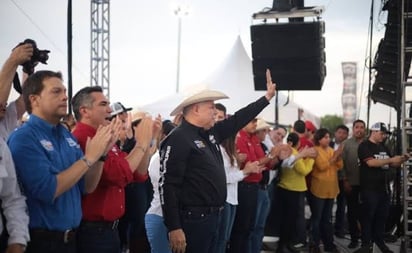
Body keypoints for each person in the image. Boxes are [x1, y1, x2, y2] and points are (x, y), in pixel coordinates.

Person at [159, 69, 277, 253]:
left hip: (214, 215)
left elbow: (239, 118)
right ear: (196, 109)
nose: (215, 111)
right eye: (211, 107)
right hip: (193, 219)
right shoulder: (179, 138)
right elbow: (168, 184)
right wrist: (174, 227)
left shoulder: (210, 133)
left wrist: (266, 98)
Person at [7, 70, 114, 253]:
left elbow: (87, 187)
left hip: (71, 240)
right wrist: (88, 158)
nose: (65, 97)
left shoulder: (65, 135)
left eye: (65, 92)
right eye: (56, 92)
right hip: (43, 241)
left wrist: (100, 156)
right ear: (34, 100)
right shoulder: (24, 138)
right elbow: (48, 189)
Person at [71, 86, 156, 253]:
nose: (109, 109)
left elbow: (138, 173)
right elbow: (118, 175)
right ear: (84, 111)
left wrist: (145, 144)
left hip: (110, 230)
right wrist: (141, 144)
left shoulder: (103, 136)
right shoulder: (84, 138)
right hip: (94, 232)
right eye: (103, 104)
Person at [0, 40, 33, 253]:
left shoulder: (2, 131)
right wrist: (12, 61)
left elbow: (25, 101)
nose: (4, 105)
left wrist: (27, 70)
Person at [214, 104, 262, 253]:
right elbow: (223, 177)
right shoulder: (220, 150)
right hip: (225, 199)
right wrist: (245, 172)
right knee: (221, 240)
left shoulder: (229, 151)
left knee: (226, 238)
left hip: (233, 198)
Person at [357, 122, 408, 253]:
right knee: (368, 218)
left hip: (384, 189)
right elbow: (371, 163)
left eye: (385, 134)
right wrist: (391, 160)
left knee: (381, 218)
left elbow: (392, 164)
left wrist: (402, 159)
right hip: (369, 189)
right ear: (373, 132)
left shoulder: (383, 147)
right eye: (382, 133)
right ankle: (366, 245)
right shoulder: (364, 146)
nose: (384, 136)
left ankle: (379, 242)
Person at [275, 132, 317, 253]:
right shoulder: (293, 153)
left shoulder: (293, 152)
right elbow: (304, 170)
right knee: (289, 220)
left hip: (290, 189)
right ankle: (284, 245)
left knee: (290, 220)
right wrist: (310, 159)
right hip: (291, 190)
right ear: (298, 143)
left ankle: (286, 244)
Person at [309, 128, 343, 253]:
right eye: (325, 137)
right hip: (319, 189)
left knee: (327, 219)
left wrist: (338, 157)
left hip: (331, 188)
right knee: (317, 219)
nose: (328, 139)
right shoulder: (315, 150)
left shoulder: (331, 150)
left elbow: (340, 166)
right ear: (319, 139)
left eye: (329, 137)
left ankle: (329, 245)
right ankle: (314, 245)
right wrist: (335, 157)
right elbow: (322, 166)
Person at [145, 119, 176, 253]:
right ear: (164, 137)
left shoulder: (172, 158)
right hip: (159, 216)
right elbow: (166, 186)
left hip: (171, 217)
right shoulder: (158, 158)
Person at [341, 119, 366, 249]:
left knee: (366, 213)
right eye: (357, 127)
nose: (359, 130)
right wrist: (345, 180)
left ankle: (367, 240)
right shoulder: (346, 144)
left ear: (365, 130)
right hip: (351, 184)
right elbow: (341, 165)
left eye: (362, 127)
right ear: (353, 129)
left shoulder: (369, 144)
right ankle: (354, 239)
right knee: (352, 213)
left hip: (368, 185)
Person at [329, 125, 349, 238]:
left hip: (343, 179)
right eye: (339, 132)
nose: (341, 135)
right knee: (327, 206)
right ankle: (326, 230)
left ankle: (339, 230)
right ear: (335, 133)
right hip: (329, 179)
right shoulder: (327, 145)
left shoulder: (349, 146)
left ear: (347, 135)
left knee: (342, 205)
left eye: (344, 133)